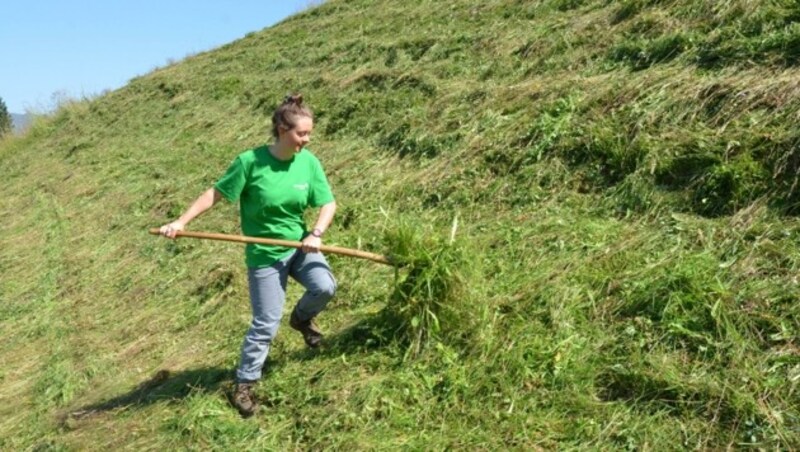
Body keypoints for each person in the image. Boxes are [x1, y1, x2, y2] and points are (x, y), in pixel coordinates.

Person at [158, 94, 337, 417]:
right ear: (283, 129)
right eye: (301, 134)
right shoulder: (250, 162)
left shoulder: (309, 163)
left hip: (299, 245)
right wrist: (180, 222)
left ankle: (301, 319)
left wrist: (316, 233)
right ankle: (244, 384)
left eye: (309, 134)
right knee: (266, 322)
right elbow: (215, 194)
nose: (307, 140)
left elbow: (328, 203)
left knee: (324, 286)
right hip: (265, 254)